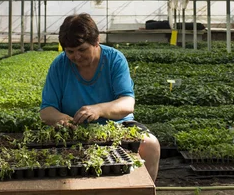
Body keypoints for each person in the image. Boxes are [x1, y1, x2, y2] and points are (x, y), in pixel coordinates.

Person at [40, 13, 161, 181]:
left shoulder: (114, 59)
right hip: (74, 130)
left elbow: (127, 103)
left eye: (82, 50)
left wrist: (99, 109)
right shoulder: (59, 65)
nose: (76, 56)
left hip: (117, 127)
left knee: (151, 145)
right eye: (70, 51)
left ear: (96, 42)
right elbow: (46, 110)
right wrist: (60, 118)